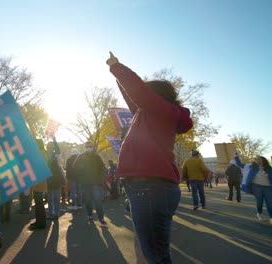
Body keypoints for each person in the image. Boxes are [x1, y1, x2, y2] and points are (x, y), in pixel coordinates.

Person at [106, 51, 193, 263]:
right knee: (154, 253)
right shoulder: (150, 113)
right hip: (147, 189)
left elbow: (138, 92)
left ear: (156, 95)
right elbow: (133, 96)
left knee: (156, 255)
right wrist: (118, 78)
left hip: (151, 189)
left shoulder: (163, 110)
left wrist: (117, 67)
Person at [75, 141, 107, 225]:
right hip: (85, 183)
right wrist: (80, 176)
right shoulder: (80, 157)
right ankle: (90, 215)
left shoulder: (97, 157)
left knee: (98, 200)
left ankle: (101, 217)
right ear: (84, 147)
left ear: (93, 147)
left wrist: (101, 179)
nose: (88, 148)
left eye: (90, 146)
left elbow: (103, 168)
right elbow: (75, 168)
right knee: (88, 200)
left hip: (96, 182)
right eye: (87, 146)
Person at [235, 155, 272, 223]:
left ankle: (271, 217)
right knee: (259, 201)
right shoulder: (252, 166)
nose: (257, 160)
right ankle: (259, 214)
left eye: (258, 158)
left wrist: (268, 175)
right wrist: (236, 157)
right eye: (256, 159)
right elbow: (240, 164)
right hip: (257, 187)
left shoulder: (269, 168)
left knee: (270, 203)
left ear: (263, 160)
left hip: (268, 187)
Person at [28, 139, 48, 230]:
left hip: (38, 181)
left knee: (38, 203)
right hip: (42, 180)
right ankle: (40, 221)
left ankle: (40, 223)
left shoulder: (39, 153)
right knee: (39, 203)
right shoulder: (44, 153)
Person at [46, 136, 65, 221]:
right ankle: (51, 213)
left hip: (55, 179)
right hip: (50, 179)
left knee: (55, 198)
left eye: (51, 147)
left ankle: (55, 213)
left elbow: (58, 149)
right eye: (48, 147)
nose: (50, 148)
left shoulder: (55, 156)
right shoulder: (45, 156)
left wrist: (54, 139)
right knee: (50, 198)